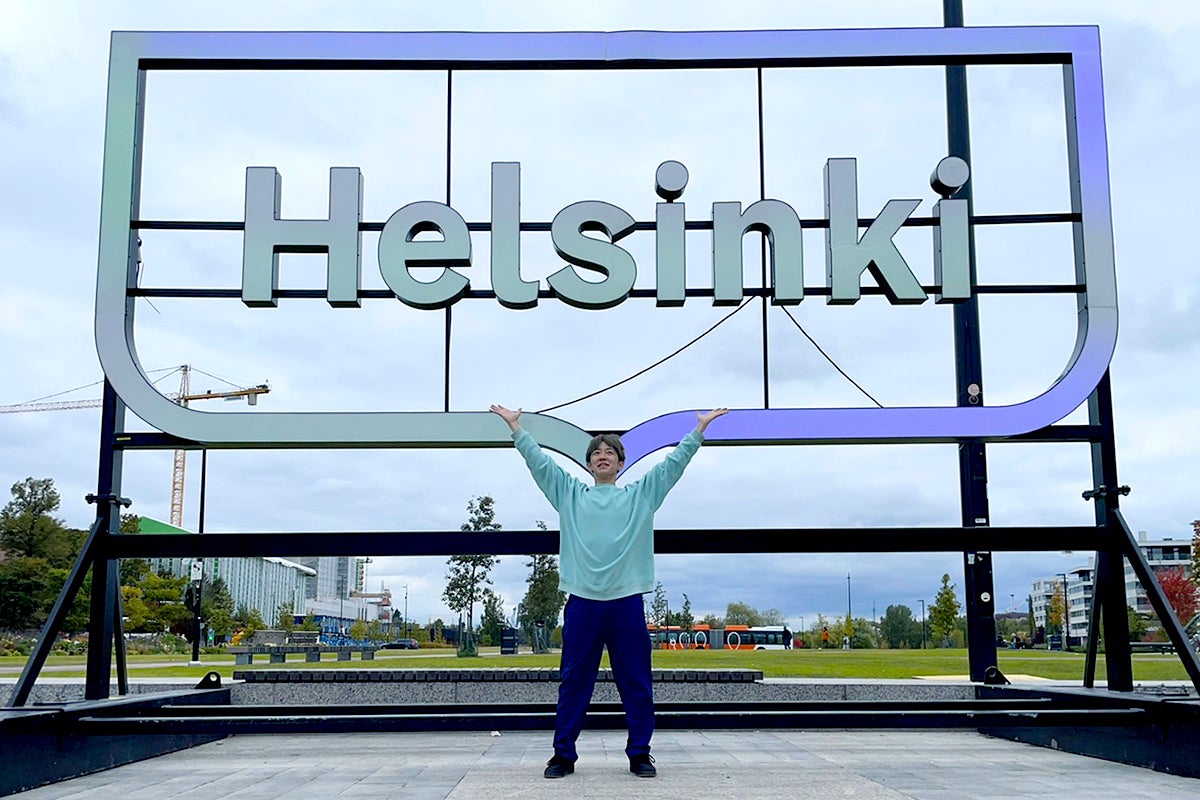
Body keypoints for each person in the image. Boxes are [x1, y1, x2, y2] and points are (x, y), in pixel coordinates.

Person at [490, 403, 728, 780]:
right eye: (597, 453)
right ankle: (563, 756)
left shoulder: (640, 496)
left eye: (610, 452)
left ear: (620, 463)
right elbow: (541, 465)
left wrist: (698, 431)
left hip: (626, 602)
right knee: (573, 683)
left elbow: (671, 466)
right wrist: (517, 429)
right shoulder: (570, 494)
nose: (603, 456)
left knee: (636, 683)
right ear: (589, 465)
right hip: (583, 602)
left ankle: (640, 754)